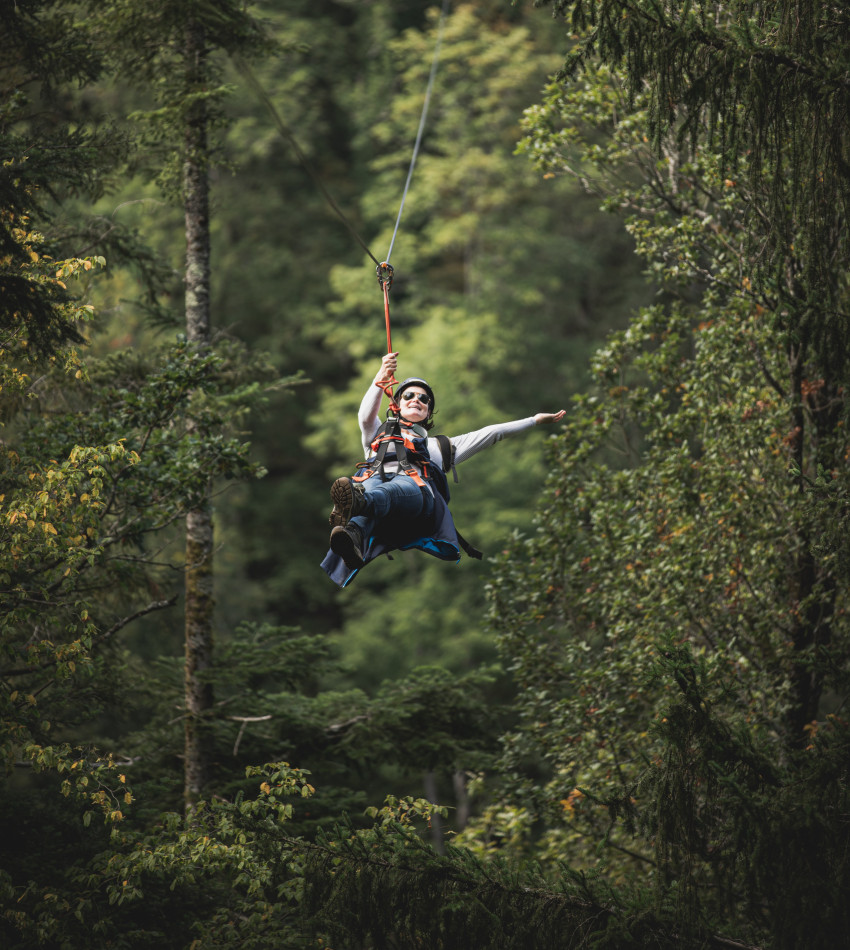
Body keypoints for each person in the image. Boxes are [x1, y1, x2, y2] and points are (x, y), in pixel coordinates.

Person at [320, 352, 566, 587]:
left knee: (385, 489)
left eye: (424, 399)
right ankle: (351, 539)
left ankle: (355, 504)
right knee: (368, 487)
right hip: (374, 484)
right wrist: (380, 377)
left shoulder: (438, 447)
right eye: (409, 396)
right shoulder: (377, 432)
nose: (417, 399)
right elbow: (364, 416)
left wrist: (534, 420)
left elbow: (492, 433)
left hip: (414, 494)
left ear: (427, 412)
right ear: (396, 404)